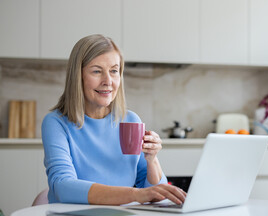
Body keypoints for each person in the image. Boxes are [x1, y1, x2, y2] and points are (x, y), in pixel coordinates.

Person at [41, 34, 186, 206]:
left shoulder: (130, 120)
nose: (108, 81)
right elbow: (63, 187)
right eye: (97, 71)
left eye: (114, 71)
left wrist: (152, 159)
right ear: (77, 76)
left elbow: (155, 194)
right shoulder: (56, 123)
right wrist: (135, 194)